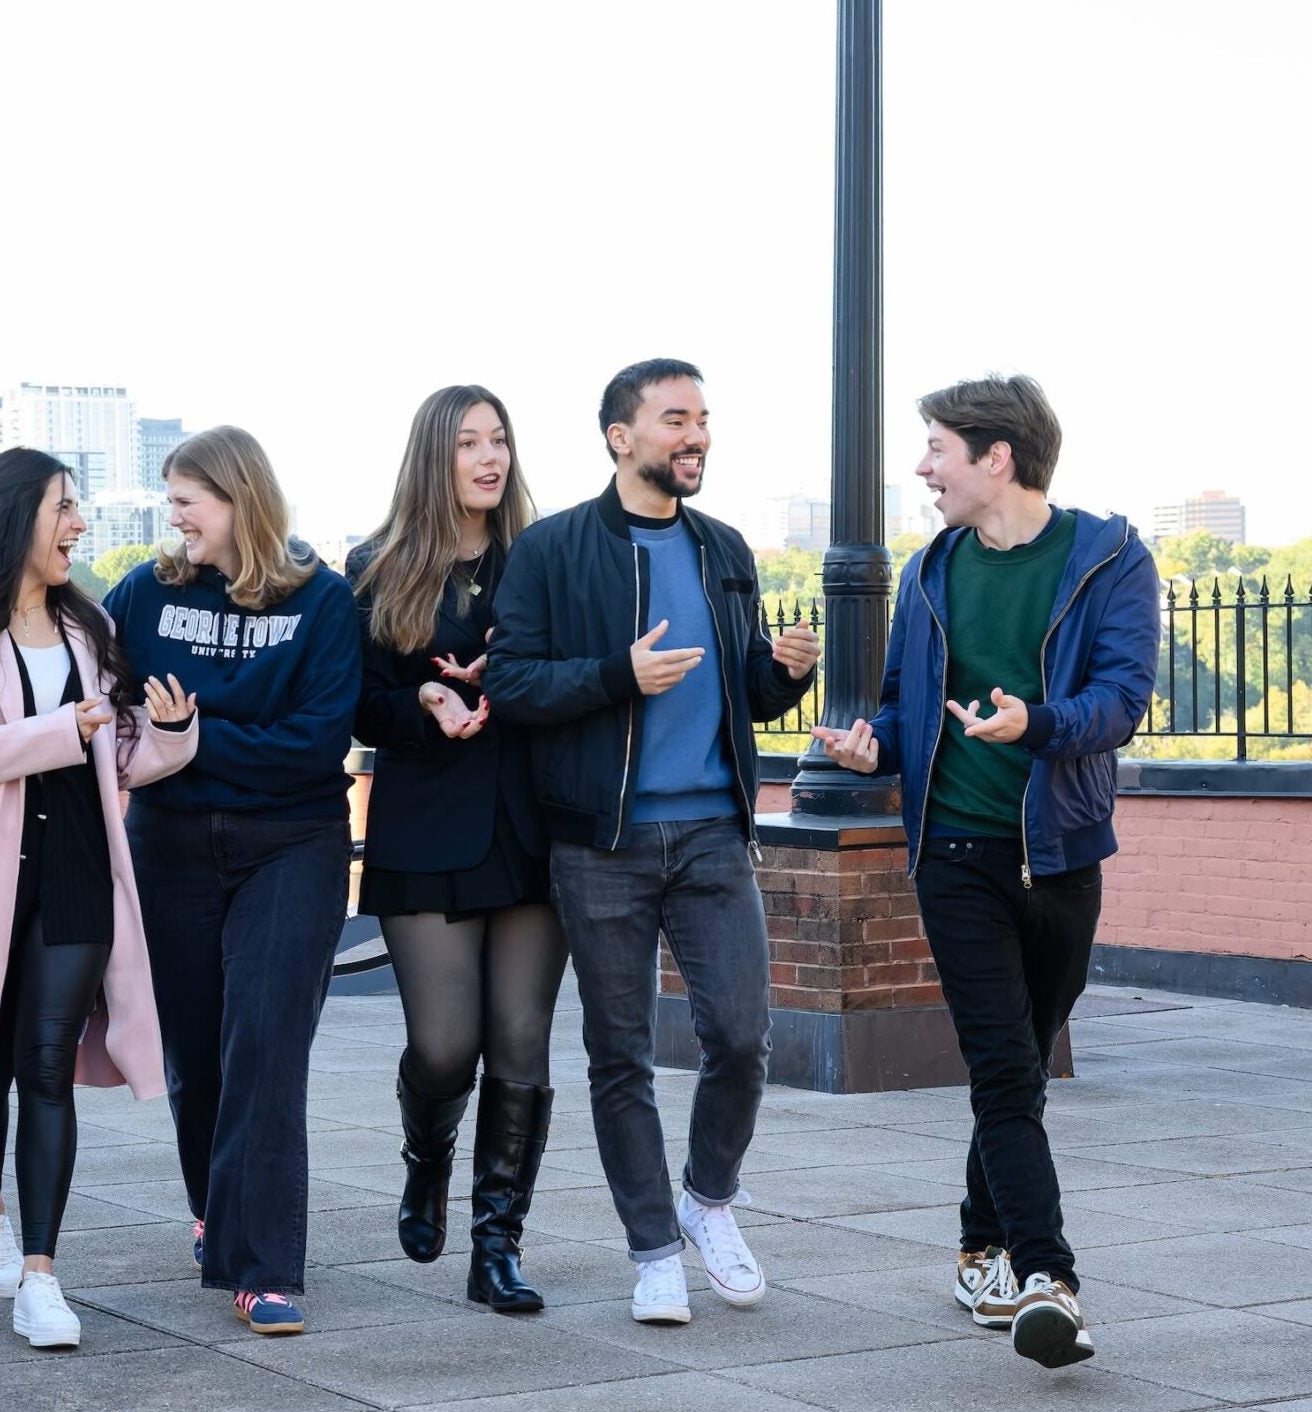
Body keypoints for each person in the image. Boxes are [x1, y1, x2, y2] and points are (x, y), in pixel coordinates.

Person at [812, 374, 1159, 1369]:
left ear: (995, 457)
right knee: (1004, 1067)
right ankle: (1048, 1277)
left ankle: (977, 1246)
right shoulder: (929, 571)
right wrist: (872, 747)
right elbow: (898, 706)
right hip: (955, 852)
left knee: (1024, 1058)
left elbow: (1121, 700)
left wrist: (1034, 723)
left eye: (936, 448)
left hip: (1059, 855)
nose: (923, 467)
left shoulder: (1108, 559)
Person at [485, 359, 820, 1326]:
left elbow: (747, 692)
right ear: (620, 437)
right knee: (620, 1056)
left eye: (702, 418)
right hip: (603, 841)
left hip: (714, 832)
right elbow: (511, 685)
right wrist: (616, 675)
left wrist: (784, 672)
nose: (696, 435)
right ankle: (653, 1252)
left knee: (741, 1039)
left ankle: (707, 1201)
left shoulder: (724, 548)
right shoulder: (552, 550)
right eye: (676, 418)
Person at [0, 448, 197, 1349]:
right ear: (18, 516)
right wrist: (60, 731)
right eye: (64, 507)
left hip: (78, 864)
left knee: (47, 1063)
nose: (79, 524)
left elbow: (114, 752)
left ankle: (42, 1278)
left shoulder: (88, 623)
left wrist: (169, 736)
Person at [102, 426, 361, 1335]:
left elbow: (315, 743)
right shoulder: (144, 593)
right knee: (197, 1054)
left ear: (237, 497)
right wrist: (166, 744)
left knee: (266, 1044)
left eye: (185, 501)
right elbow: (112, 714)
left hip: (292, 844)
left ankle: (261, 1266)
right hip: (168, 844)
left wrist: (191, 739)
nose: (173, 517)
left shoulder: (322, 600)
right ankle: (216, 1213)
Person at [347, 386, 564, 1313]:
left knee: (521, 1041)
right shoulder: (376, 566)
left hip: (532, 827)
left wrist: (513, 678)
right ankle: (426, 1156)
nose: (489, 457)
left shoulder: (546, 558)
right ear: (435, 456)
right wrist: (424, 702)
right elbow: (360, 705)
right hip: (426, 826)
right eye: (469, 442)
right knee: (444, 1047)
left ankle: (497, 1246)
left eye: (499, 439)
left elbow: (577, 680)